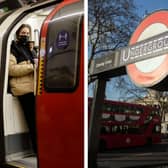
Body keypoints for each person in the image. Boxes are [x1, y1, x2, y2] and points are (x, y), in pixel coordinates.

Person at [8, 24, 37, 153]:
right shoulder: (13, 49)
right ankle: (37, 149)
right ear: (17, 34)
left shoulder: (31, 49)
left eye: (27, 33)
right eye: (22, 33)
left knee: (37, 120)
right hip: (23, 89)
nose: (25, 35)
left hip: (33, 88)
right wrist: (32, 67)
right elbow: (11, 70)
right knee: (32, 120)